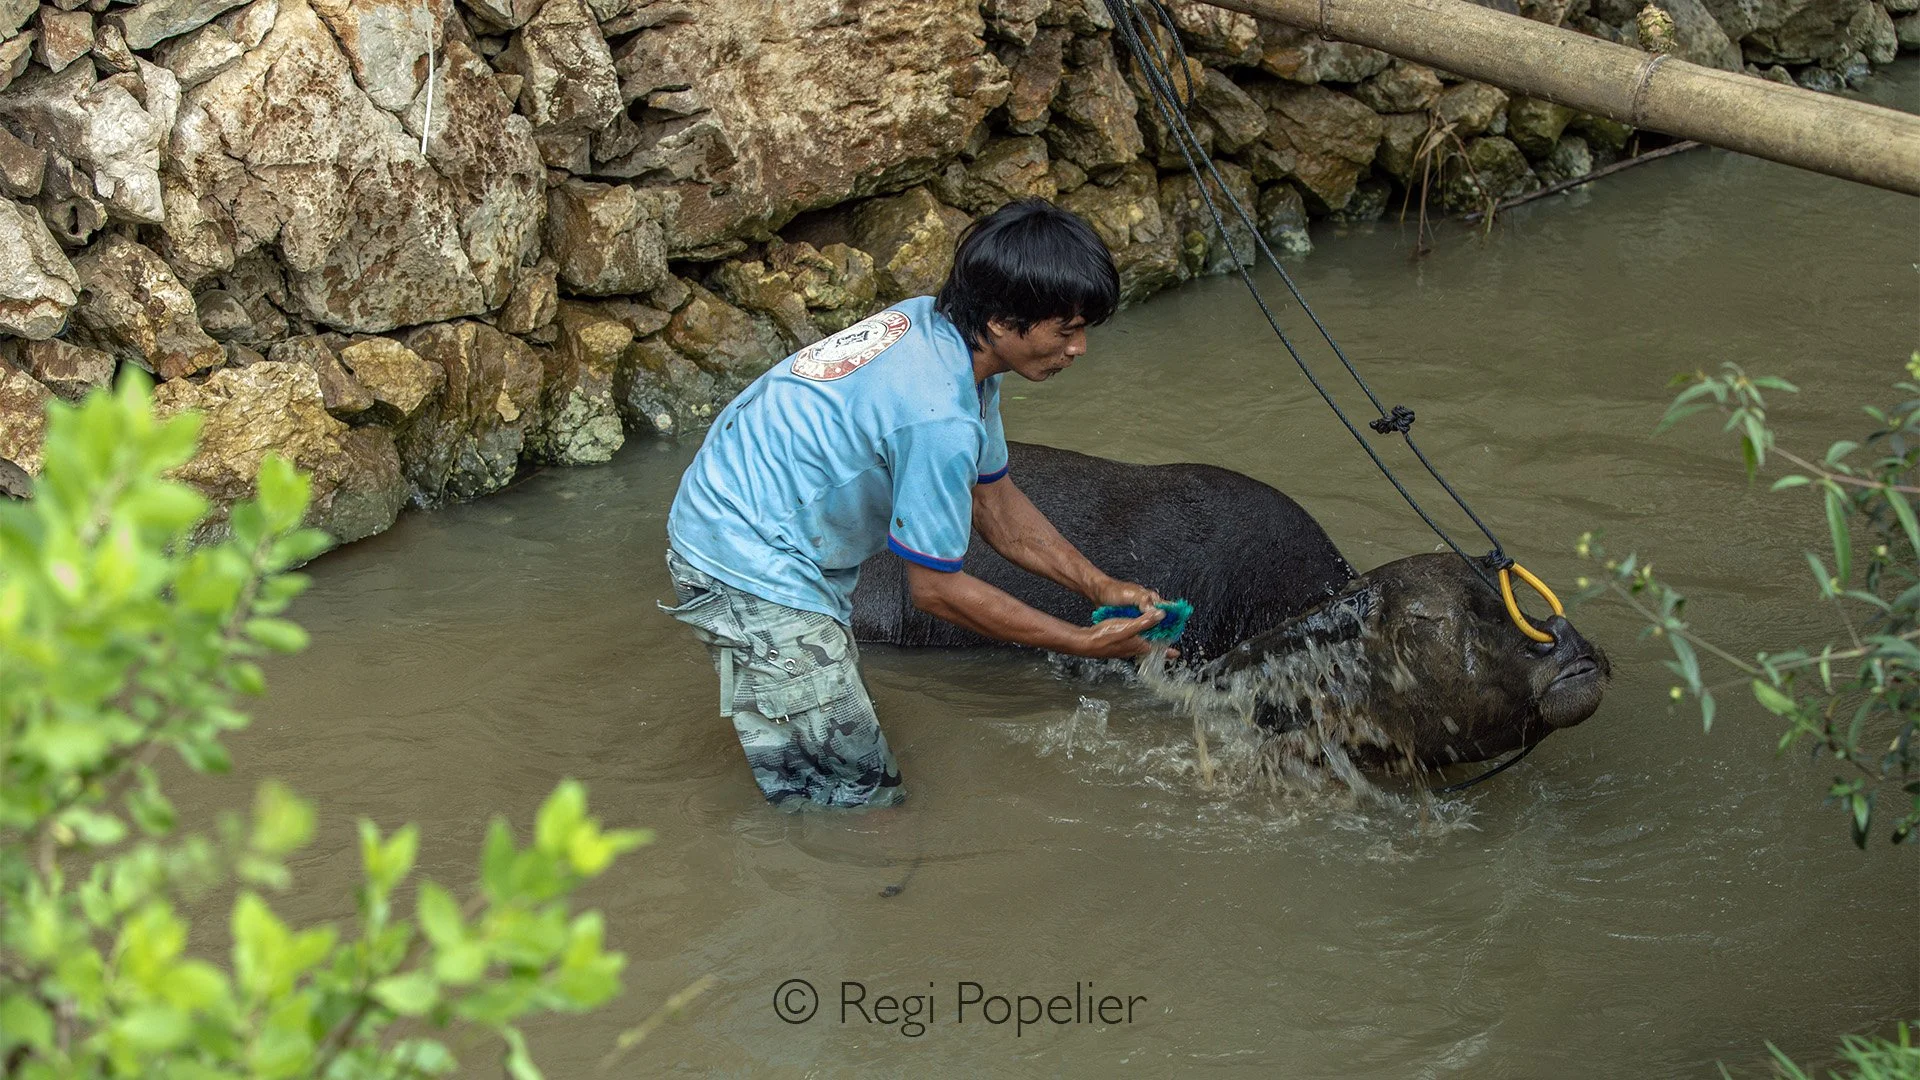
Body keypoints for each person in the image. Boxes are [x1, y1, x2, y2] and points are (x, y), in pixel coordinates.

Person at [662, 199, 1169, 810]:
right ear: (1005, 320)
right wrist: (1078, 641)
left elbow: (997, 505)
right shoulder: (938, 416)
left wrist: (1098, 584)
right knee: (855, 799)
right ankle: (852, 884)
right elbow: (937, 592)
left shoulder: (939, 331)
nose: (1079, 348)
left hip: (744, 506)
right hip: (744, 555)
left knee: (826, 745)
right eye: (1066, 329)